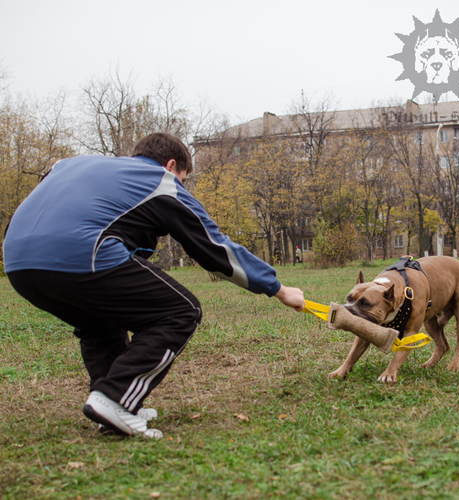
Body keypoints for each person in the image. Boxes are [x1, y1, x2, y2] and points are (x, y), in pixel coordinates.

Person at [3, 132, 305, 439]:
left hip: (18, 261)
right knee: (181, 311)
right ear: (172, 165)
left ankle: (111, 409)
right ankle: (115, 399)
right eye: (183, 179)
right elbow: (213, 247)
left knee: (100, 323)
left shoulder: (68, 165)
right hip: (82, 253)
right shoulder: (160, 179)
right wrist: (278, 288)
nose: (182, 187)